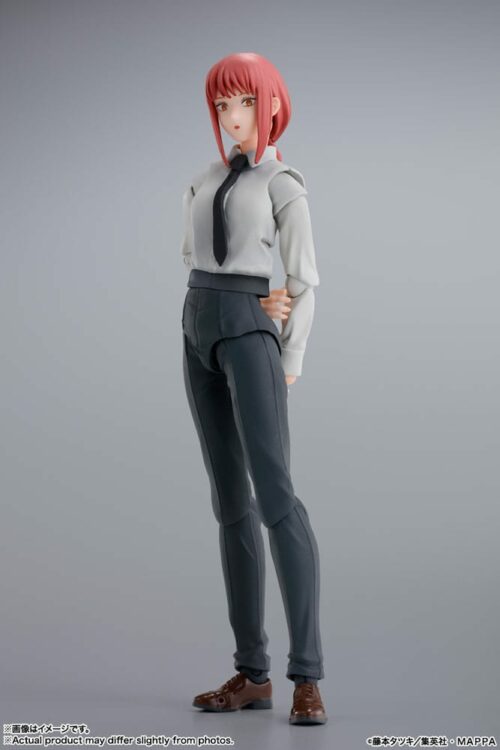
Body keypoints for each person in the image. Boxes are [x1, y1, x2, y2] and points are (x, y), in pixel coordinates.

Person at [180, 52, 327, 725]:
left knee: (276, 499)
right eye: (221, 104)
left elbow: (303, 279)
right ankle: (252, 672)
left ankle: (307, 676)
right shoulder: (204, 177)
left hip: (248, 335)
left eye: (243, 101)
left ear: (270, 105)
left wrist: (288, 350)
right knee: (229, 503)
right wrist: (226, 303)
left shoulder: (282, 181)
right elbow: (195, 257)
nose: (231, 115)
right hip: (196, 328)